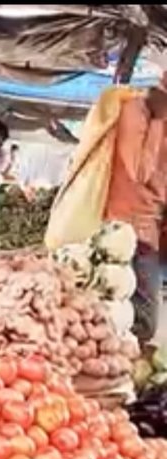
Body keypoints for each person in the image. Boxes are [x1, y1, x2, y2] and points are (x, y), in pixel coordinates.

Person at [104, 81, 167, 343]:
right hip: (123, 230)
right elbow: (139, 172)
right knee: (118, 321)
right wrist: (159, 118)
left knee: (145, 326)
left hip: (149, 231)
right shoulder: (136, 109)